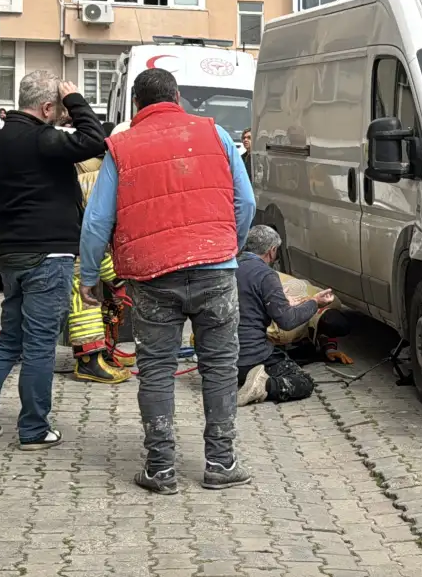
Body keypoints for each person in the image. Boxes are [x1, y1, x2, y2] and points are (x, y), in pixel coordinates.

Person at [79, 68, 256, 495]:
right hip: (216, 268)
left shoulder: (120, 148)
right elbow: (246, 201)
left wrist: (89, 277)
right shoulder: (216, 135)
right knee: (219, 366)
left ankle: (161, 469)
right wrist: (228, 244)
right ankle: (221, 462)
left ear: (137, 104)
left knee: (157, 368)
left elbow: (97, 221)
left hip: (153, 275)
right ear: (177, 97)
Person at [0, 73, 106, 449]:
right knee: (39, 345)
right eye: (59, 107)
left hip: (12, 256)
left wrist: (64, 110)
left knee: (10, 341)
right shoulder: (43, 139)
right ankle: (34, 429)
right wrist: (78, 103)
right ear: (48, 107)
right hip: (48, 256)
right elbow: (96, 140)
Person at [235, 225, 345, 407]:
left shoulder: (229, 267)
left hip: (221, 359)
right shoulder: (266, 275)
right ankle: (265, 386)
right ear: (271, 251)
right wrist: (314, 303)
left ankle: (249, 380)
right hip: (251, 358)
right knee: (302, 382)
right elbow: (287, 321)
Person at [66, 152, 133, 384]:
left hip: (79, 241)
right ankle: (89, 362)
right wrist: (116, 277)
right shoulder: (108, 182)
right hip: (73, 245)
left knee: (101, 291)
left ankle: (100, 353)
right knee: (84, 296)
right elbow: (94, 235)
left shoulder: (103, 177)